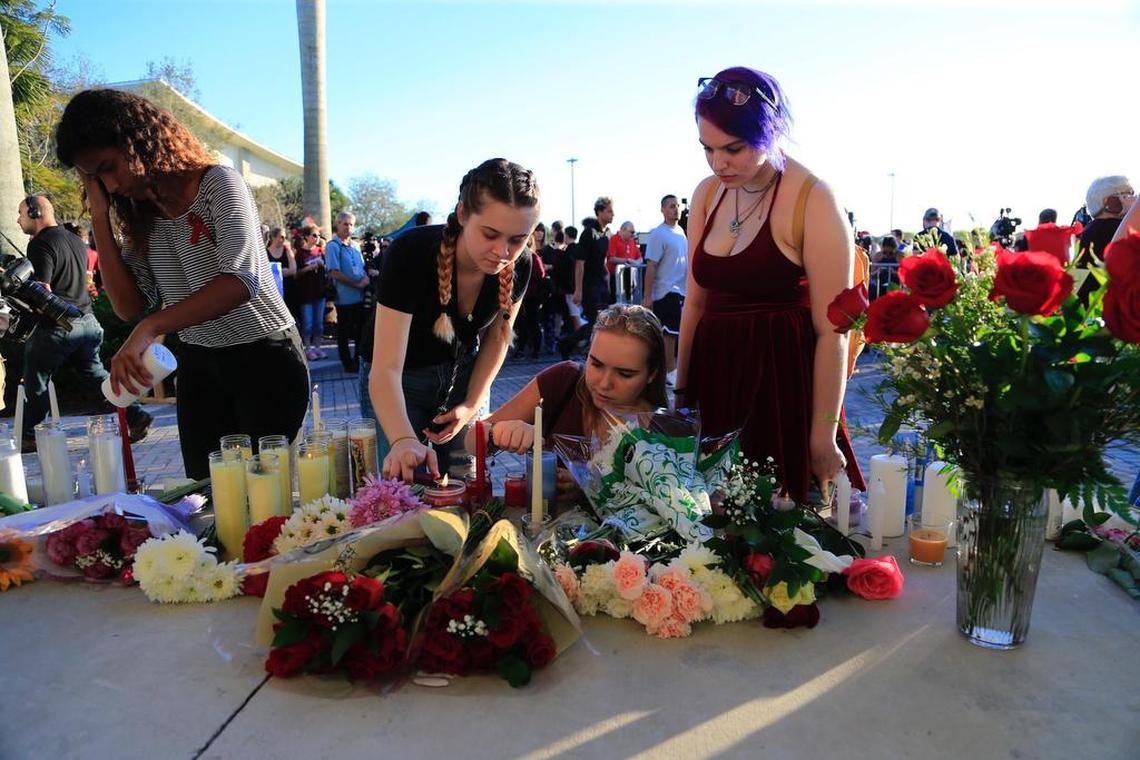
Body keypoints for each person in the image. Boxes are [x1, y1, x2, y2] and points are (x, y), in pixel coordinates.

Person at [55, 88, 309, 480]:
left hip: (265, 358)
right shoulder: (141, 216)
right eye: (94, 178)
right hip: (199, 366)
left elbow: (242, 280)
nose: (108, 184)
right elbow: (129, 307)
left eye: (107, 167)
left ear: (136, 142)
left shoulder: (218, 184)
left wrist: (151, 328)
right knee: (207, 498)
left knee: (264, 501)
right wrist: (101, 217)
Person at [675, 67, 866, 503]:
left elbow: (833, 332)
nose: (718, 162)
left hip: (779, 387)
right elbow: (695, 305)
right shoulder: (707, 193)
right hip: (715, 377)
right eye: (707, 149)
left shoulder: (813, 196)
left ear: (769, 132)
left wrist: (822, 433)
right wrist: (682, 397)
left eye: (734, 148)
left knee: (776, 529)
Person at [370, 158, 539, 482]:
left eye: (517, 239)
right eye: (490, 234)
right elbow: (385, 368)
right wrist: (404, 439)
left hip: (466, 378)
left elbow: (496, 340)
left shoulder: (522, 265)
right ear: (462, 214)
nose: (502, 251)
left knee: (467, 485)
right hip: (399, 381)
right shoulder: (411, 252)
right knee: (405, 488)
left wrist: (472, 404)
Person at [464, 304, 668, 505]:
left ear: (652, 374)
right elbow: (471, 441)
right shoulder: (564, 380)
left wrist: (590, 490)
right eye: (596, 364)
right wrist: (496, 433)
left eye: (625, 374)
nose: (604, 383)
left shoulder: (665, 432)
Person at [15, 195, 152, 449]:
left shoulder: (40, 244)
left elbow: (42, 290)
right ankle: (136, 415)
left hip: (57, 326)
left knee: (36, 380)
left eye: (21, 213)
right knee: (96, 375)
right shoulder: (76, 240)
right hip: (88, 322)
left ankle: (32, 437)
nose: (18, 220)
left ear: (35, 213)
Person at [559, 198, 613, 358]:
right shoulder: (588, 233)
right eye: (609, 211)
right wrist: (578, 290)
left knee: (602, 322)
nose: (613, 214)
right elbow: (580, 263)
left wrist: (607, 279)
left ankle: (573, 346)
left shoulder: (607, 234)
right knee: (595, 321)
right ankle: (568, 344)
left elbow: (603, 259)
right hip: (589, 285)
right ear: (600, 212)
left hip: (601, 283)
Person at [642, 194, 687, 381]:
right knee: (669, 332)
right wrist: (647, 296)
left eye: (677, 205)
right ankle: (669, 370)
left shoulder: (681, 232)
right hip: (666, 290)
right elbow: (651, 265)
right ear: (662, 210)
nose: (675, 209)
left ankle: (666, 370)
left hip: (681, 291)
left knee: (674, 332)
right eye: (670, 206)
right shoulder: (658, 234)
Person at [324, 211, 370, 373]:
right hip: (344, 298)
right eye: (345, 224)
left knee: (360, 331)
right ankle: (347, 363)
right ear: (338, 225)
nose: (348, 227)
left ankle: (358, 360)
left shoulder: (355, 246)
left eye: (351, 224)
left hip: (359, 297)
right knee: (344, 332)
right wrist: (355, 284)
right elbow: (333, 272)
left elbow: (362, 268)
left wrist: (364, 279)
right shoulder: (333, 246)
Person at [1077, 175, 1134, 304]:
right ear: (1109, 202)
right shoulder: (1110, 228)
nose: (1133, 198)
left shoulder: (1092, 228)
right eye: (1128, 194)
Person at [293, 224, 328, 360]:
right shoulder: (300, 253)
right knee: (307, 323)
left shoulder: (321, 251)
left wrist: (322, 265)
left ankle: (318, 348)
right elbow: (296, 274)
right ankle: (307, 349)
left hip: (320, 292)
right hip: (305, 294)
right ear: (306, 237)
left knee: (319, 323)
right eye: (314, 235)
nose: (317, 238)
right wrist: (310, 267)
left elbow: (327, 268)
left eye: (318, 235)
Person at [265, 226, 298, 316]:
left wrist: (276, 272)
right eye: (281, 237)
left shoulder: (287, 251)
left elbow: (293, 270)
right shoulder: (265, 253)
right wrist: (283, 270)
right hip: (273, 292)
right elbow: (265, 273)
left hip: (289, 290)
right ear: (273, 238)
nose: (284, 239)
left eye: (285, 237)